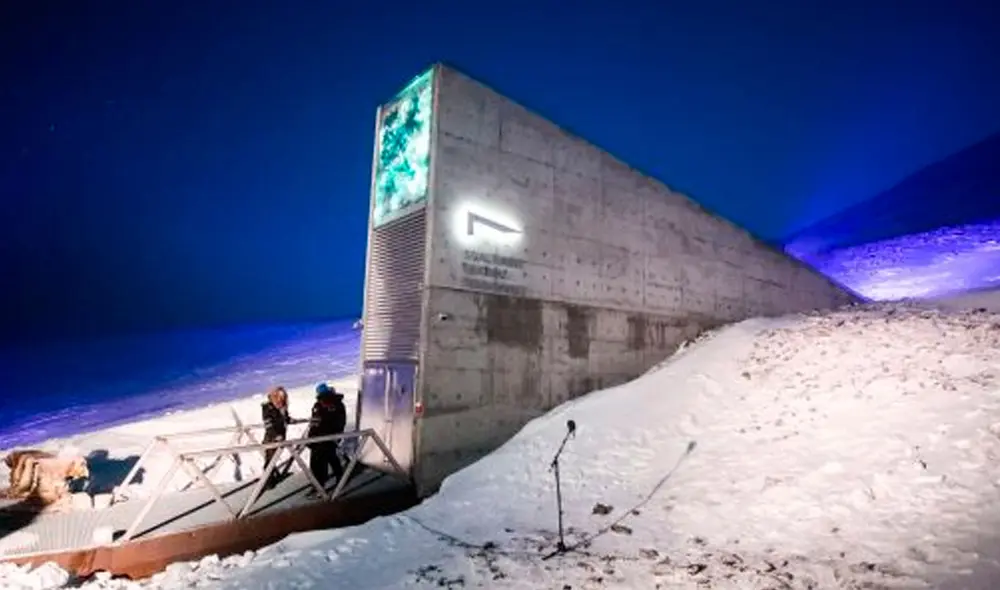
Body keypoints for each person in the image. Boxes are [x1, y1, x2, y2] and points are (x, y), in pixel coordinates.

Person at [307, 382, 347, 494]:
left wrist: (335, 434)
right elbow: (315, 423)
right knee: (330, 457)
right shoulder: (322, 405)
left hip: (325, 438)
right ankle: (336, 479)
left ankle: (319, 486)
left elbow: (337, 422)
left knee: (319, 462)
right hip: (319, 439)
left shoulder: (333, 405)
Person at [261, 386, 300, 488]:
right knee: (269, 460)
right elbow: (268, 425)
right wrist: (276, 436)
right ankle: (267, 482)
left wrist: (291, 421)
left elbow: (284, 419)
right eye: (279, 397)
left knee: (273, 458)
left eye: (283, 397)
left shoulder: (281, 407)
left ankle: (273, 477)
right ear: (274, 396)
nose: (281, 399)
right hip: (271, 438)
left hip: (280, 437)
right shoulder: (268, 408)